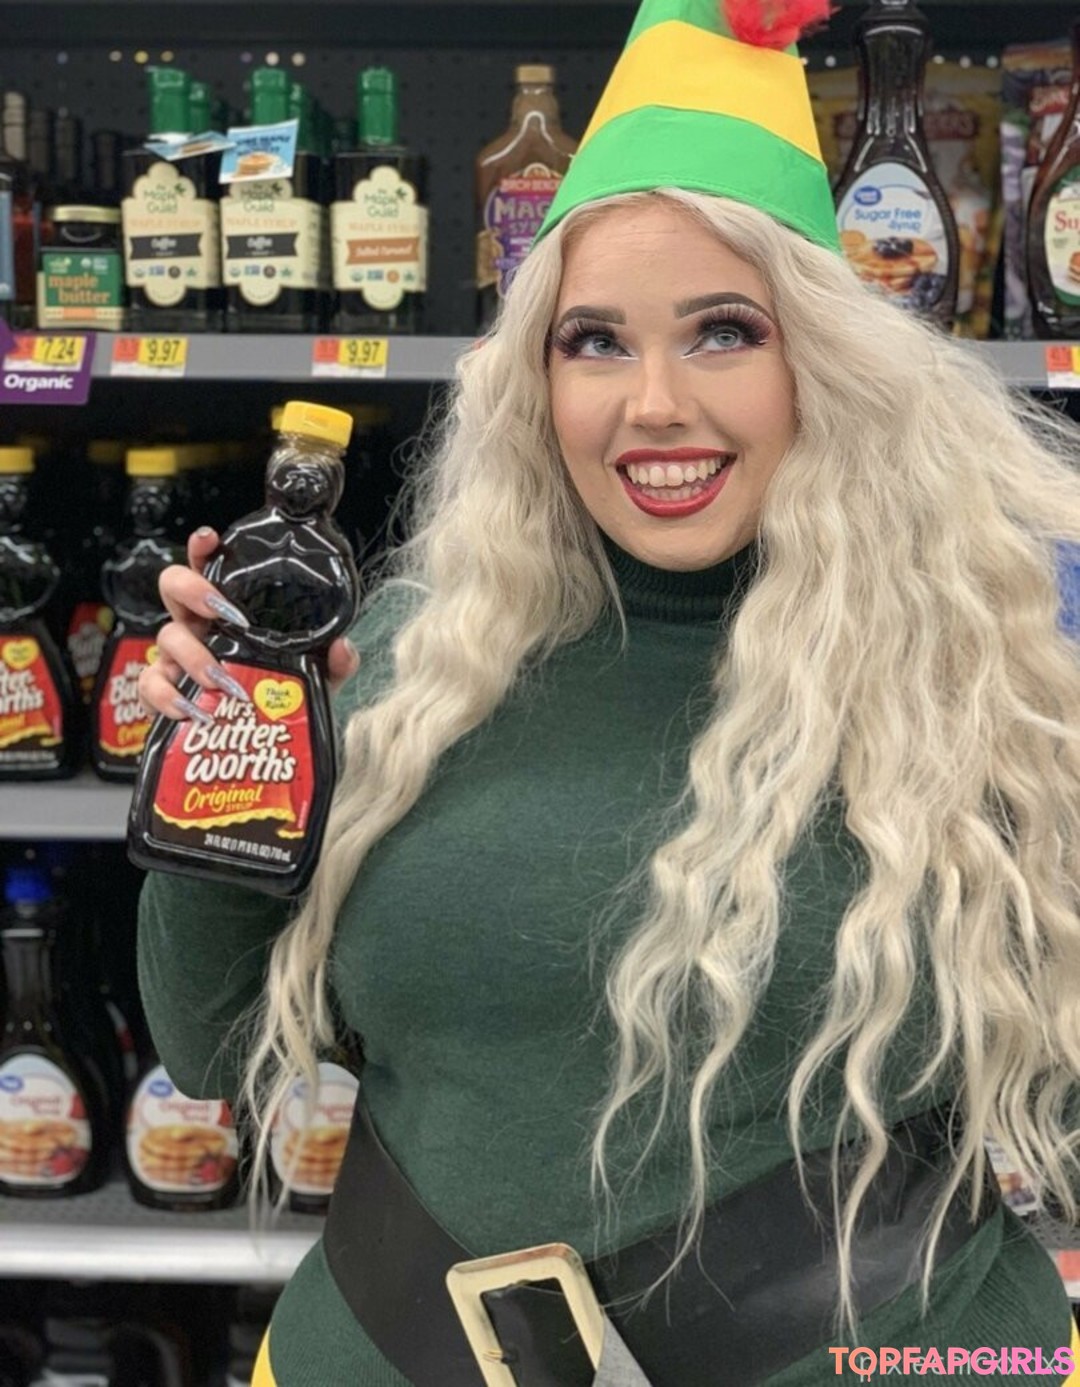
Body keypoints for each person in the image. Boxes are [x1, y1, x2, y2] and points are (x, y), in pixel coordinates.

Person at [136, 1, 1080, 1383]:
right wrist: (210, 765)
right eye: (595, 342)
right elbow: (204, 1047)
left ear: (827, 361)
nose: (653, 404)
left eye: (722, 333)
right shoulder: (401, 666)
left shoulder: (989, 679)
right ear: (535, 379)